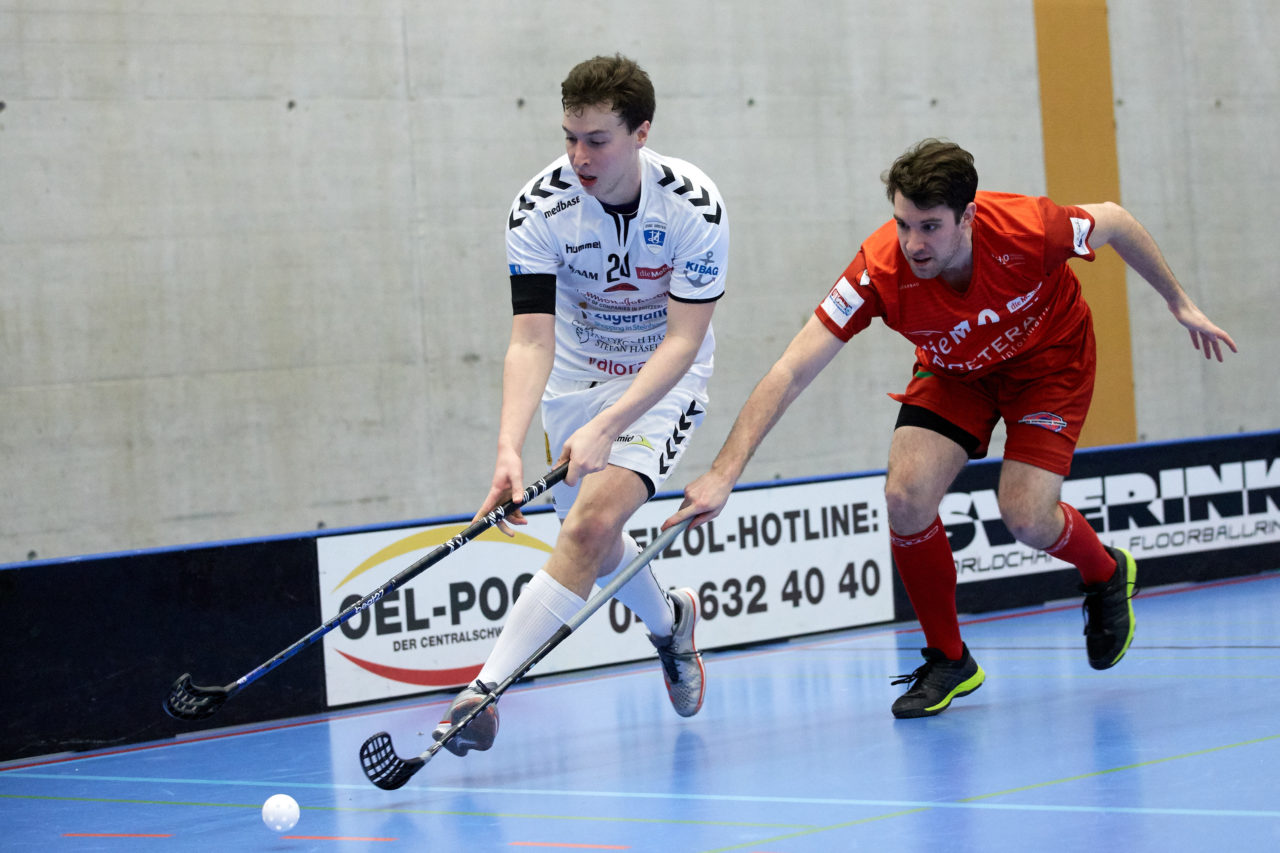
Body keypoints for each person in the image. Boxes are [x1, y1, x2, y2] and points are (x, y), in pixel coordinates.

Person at [663, 138, 1236, 719]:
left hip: (1049, 367)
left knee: (1026, 516)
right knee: (904, 497)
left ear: (968, 217)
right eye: (902, 224)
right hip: (955, 372)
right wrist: (723, 473)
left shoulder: (1030, 229)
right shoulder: (878, 270)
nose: (913, 243)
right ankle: (949, 658)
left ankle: (1106, 572)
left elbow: (1114, 220)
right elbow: (791, 369)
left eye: (930, 227)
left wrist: (1178, 301)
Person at [433, 55, 729, 754]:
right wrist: (508, 448)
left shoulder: (694, 206)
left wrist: (611, 425)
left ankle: (482, 693)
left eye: (597, 140)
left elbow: (684, 339)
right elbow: (531, 338)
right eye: (570, 137)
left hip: (662, 382)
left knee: (591, 524)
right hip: (573, 380)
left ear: (641, 133)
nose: (579, 156)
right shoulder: (540, 208)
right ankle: (671, 622)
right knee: (591, 540)